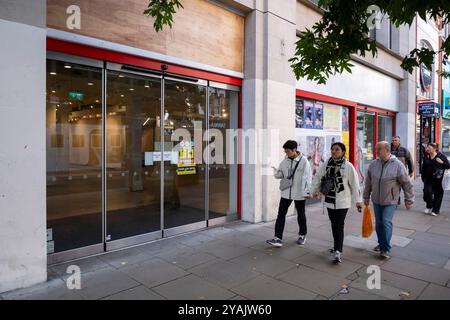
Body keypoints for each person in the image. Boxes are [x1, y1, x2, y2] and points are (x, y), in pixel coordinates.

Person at [310, 142, 363, 264]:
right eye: (332, 149)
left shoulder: (348, 166)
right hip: (329, 201)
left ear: (343, 152)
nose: (334, 151)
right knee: (334, 225)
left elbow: (355, 185)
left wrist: (358, 201)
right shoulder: (326, 164)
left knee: (339, 226)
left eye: (337, 149)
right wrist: (312, 192)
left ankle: (338, 251)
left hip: (342, 201)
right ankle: (336, 246)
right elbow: (318, 178)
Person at [363, 141, 414, 259]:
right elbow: (368, 183)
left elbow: (406, 183)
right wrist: (366, 197)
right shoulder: (373, 164)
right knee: (379, 224)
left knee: (386, 222)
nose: (376, 151)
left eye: (378, 149)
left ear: (386, 150)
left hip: (390, 200)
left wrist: (409, 199)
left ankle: (385, 248)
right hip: (376, 199)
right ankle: (381, 244)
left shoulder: (398, 165)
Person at [267, 140, 312, 247]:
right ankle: (277, 238)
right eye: (285, 151)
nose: (286, 153)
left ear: (294, 150)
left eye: (288, 151)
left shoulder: (304, 161)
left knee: (301, 214)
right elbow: (280, 175)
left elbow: (307, 178)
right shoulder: (285, 161)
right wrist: (275, 170)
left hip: (299, 193)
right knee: (281, 214)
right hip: (286, 192)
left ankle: (302, 235)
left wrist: (306, 192)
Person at [421, 142, 450, 216]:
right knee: (427, 193)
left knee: (438, 194)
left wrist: (442, 162)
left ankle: (435, 210)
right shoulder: (426, 156)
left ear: (435, 149)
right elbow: (424, 167)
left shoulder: (441, 156)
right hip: (427, 179)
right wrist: (423, 177)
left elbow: (448, 166)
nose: (427, 149)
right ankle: (429, 205)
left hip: (438, 179)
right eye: (427, 147)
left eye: (429, 148)